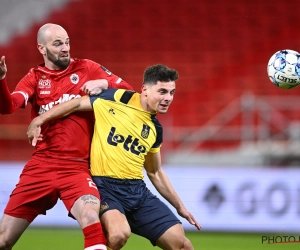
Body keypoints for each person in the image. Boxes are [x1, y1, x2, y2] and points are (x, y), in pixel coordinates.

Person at [27, 64, 201, 250]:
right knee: (118, 235)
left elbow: (155, 172)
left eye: (171, 92)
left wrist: (180, 207)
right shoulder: (117, 98)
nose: (168, 98)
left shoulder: (155, 129)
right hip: (105, 187)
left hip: (137, 191)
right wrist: (39, 119)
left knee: (183, 245)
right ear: (145, 90)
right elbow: (77, 103)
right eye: (162, 91)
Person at [0, 23, 133, 250]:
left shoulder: (87, 68)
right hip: (41, 167)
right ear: (42, 48)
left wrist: (105, 83)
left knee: (91, 218)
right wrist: (1, 79)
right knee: (3, 240)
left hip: (77, 169)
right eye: (58, 43)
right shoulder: (34, 77)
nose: (65, 48)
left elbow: (131, 93)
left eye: (67, 42)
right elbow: (9, 106)